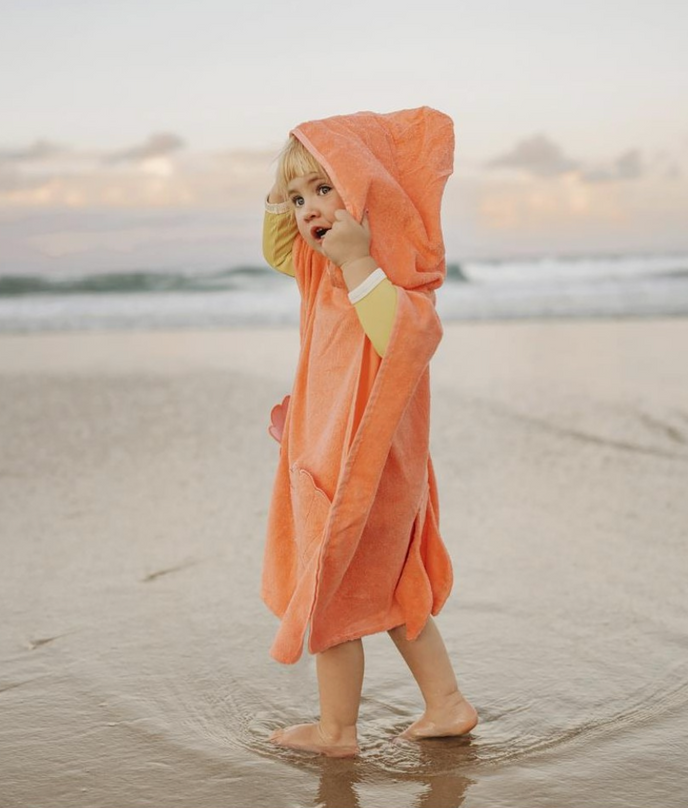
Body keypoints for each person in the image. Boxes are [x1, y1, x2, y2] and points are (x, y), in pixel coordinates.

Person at [260, 108, 477, 758]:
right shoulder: (320, 271)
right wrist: (291, 190)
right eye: (299, 197)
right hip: (361, 471)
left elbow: (402, 338)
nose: (309, 209)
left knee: (331, 600)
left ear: (373, 193)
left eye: (327, 189)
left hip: (360, 477)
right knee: (390, 591)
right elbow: (277, 247)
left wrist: (359, 259)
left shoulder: (388, 282)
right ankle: (447, 704)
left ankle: (336, 732)